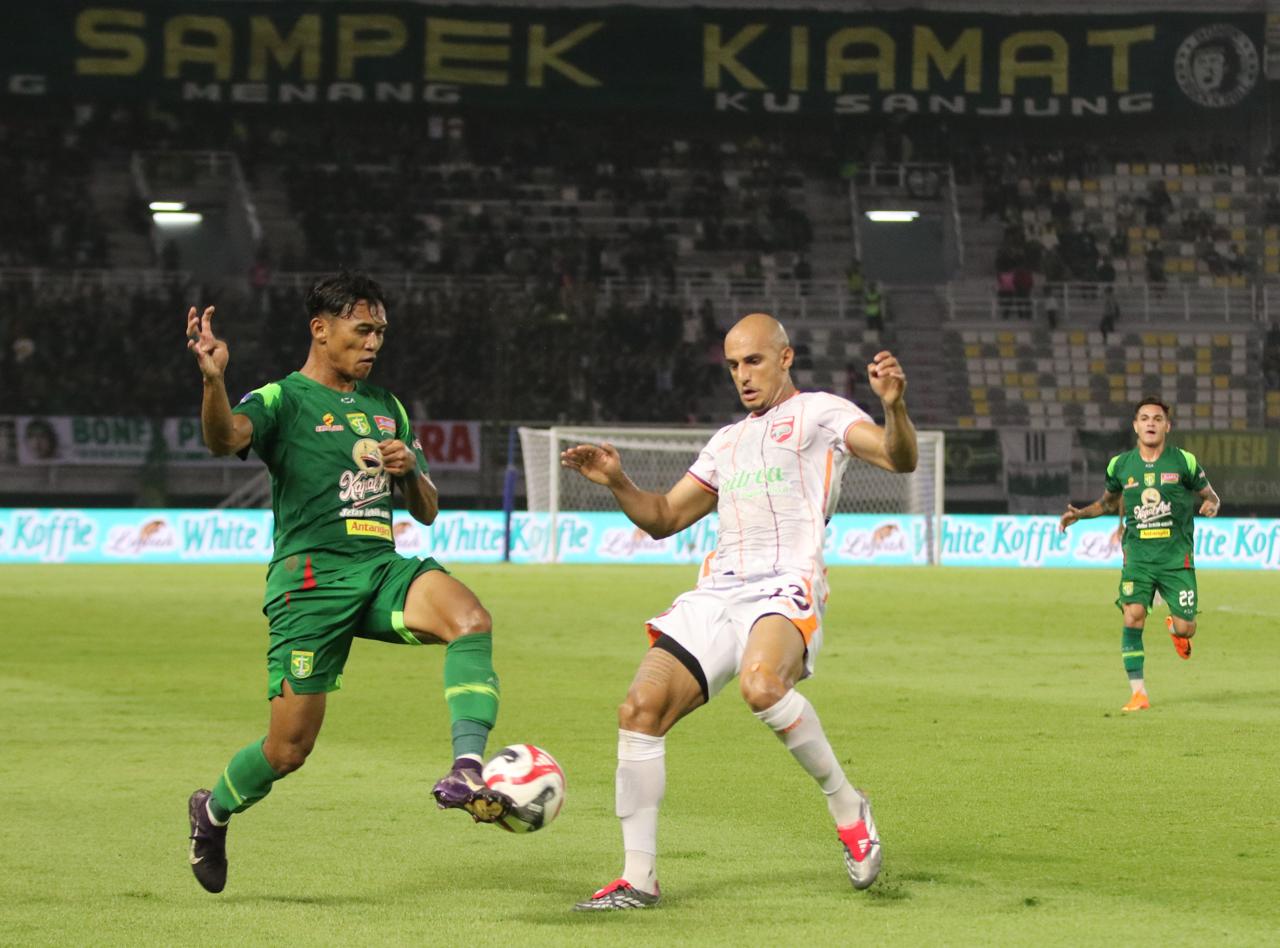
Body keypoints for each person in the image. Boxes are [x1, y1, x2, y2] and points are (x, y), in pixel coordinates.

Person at [562, 313, 919, 909]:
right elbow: (663, 518)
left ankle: (846, 803)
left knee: (761, 684)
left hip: (785, 584)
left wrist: (895, 407)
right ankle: (638, 879)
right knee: (639, 709)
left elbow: (897, 458)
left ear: (785, 357)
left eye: (753, 361)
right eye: (732, 365)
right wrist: (619, 481)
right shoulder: (726, 441)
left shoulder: (821, 413)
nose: (742, 376)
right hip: (718, 592)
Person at [183, 271, 509, 894]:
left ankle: (467, 768)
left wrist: (410, 469)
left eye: (380, 332)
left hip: (379, 568)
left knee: (471, 619)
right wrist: (214, 381)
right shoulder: (283, 399)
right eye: (363, 330)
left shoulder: (386, 407)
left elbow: (428, 509)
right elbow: (224, 440)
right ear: (321, 329)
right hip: (309, 584)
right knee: (288, 751)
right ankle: (213, 811)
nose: (374, 343)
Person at [1059, 398, 1220, 712]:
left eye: (1157, 419)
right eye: (1144, 418)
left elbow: (1210, 494)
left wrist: (1212, 504)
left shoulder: (1183, 461)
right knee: (1133, 616)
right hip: (1138, 559)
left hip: (1176, 559)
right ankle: (1138, 693)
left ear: (1166, 426)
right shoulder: (1121, 465)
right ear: (1135, 426)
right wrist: (1080, 514)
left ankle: (1176, 629)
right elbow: (1107, 503)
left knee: (1187, 627)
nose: (1150, 423)